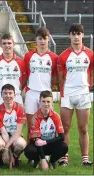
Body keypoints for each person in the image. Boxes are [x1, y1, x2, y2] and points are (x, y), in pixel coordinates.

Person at [57, 23, 93, 166]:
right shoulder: (63, 56)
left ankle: (85, 158)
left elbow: (92, 73)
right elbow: (60, 78)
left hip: (83, 94)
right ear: (69, 36)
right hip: (68, 94)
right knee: (65, 128)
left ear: (82, 35)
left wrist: (87, 86)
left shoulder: (90, 54)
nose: (76, 36)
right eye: (73, 34)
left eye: (78, 34)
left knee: (83, 128)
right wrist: (63, 93)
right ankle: (64, 157)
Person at [24, 27, 58, 143]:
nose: (42, 41)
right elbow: (26, 74)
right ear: (36, 40)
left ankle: (46, 152)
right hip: (32, 93)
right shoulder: (29, 56)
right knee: (31, 126)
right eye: (40, 38)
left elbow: (54, 77)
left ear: (48, 39)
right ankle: (31, 155)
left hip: (46, 95)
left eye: (45, 38)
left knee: (47, 125)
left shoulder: (54, 57)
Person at [24, 90, 68, 170]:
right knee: (28, 150)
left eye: (48, 101)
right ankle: (37, 160)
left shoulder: (56, 116)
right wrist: (43, 159)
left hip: (50, 144)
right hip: (38, 146)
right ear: (39, 102)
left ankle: (52, 161)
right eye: (43, 101)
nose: (46, 104)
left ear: (52, 102)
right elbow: (37, 141)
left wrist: (45, 142)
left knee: (64, 147)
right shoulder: (35, 117)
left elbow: (62, 137)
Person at [0, 84, 27, 169]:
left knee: (21, 144)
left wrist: (7, 149)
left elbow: (18, 131)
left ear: (14, 95)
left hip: (16, 135)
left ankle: (16, 158)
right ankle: (0, 158)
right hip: (2, 135)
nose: (8, 96)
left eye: (10, 93)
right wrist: (8, 152)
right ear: (1, 95)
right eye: (5, 93)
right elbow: (4, 133)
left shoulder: (20, 108)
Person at [0, 34, 26, 108]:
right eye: (4, 43)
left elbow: (24, 79)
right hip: (1, 97)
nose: (7, 45)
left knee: (18, 119)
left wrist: (17, 90)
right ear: (1, 45)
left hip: (16, 96)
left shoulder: (21, 62)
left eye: (9, 43)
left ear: (13, 44)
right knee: (0, 119)